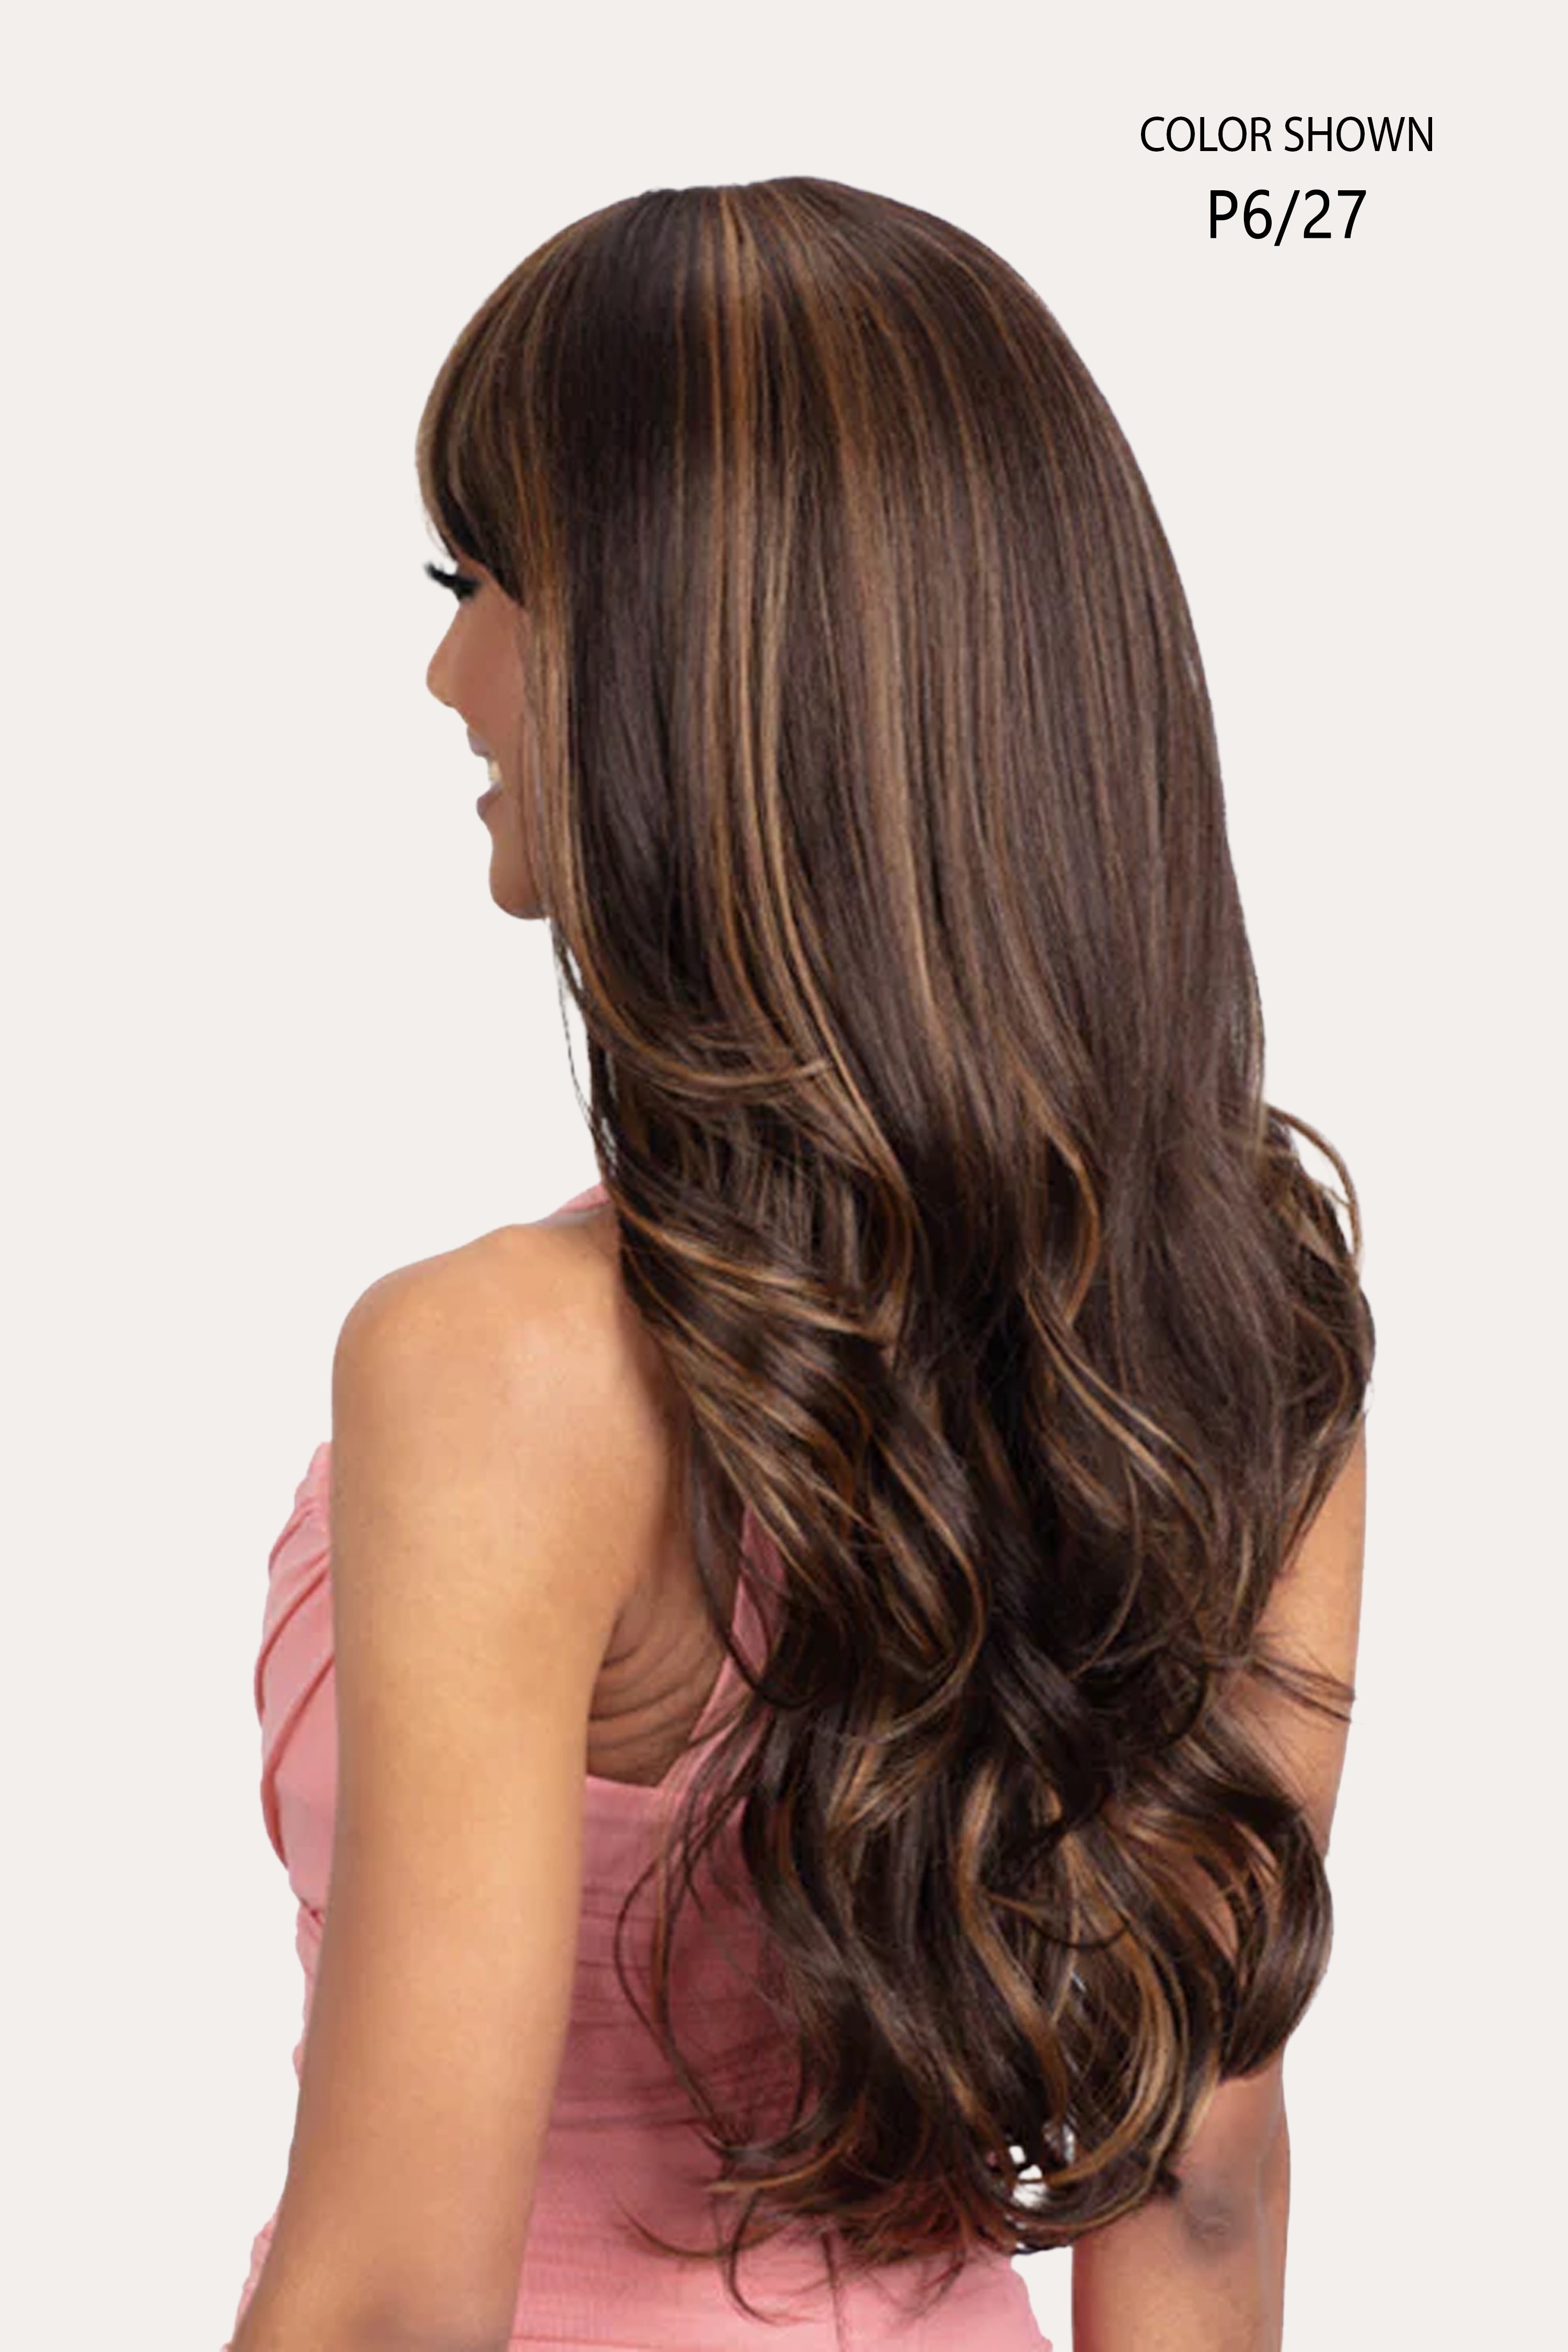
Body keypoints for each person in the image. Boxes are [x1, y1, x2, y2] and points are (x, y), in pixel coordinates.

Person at [225, 176, 1373, 2352]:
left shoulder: (500, 1367)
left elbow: (390, 2305)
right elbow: (1204, 2201)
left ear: (695, 668)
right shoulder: (1230, 1335)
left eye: (491, 583)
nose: (449, 673)